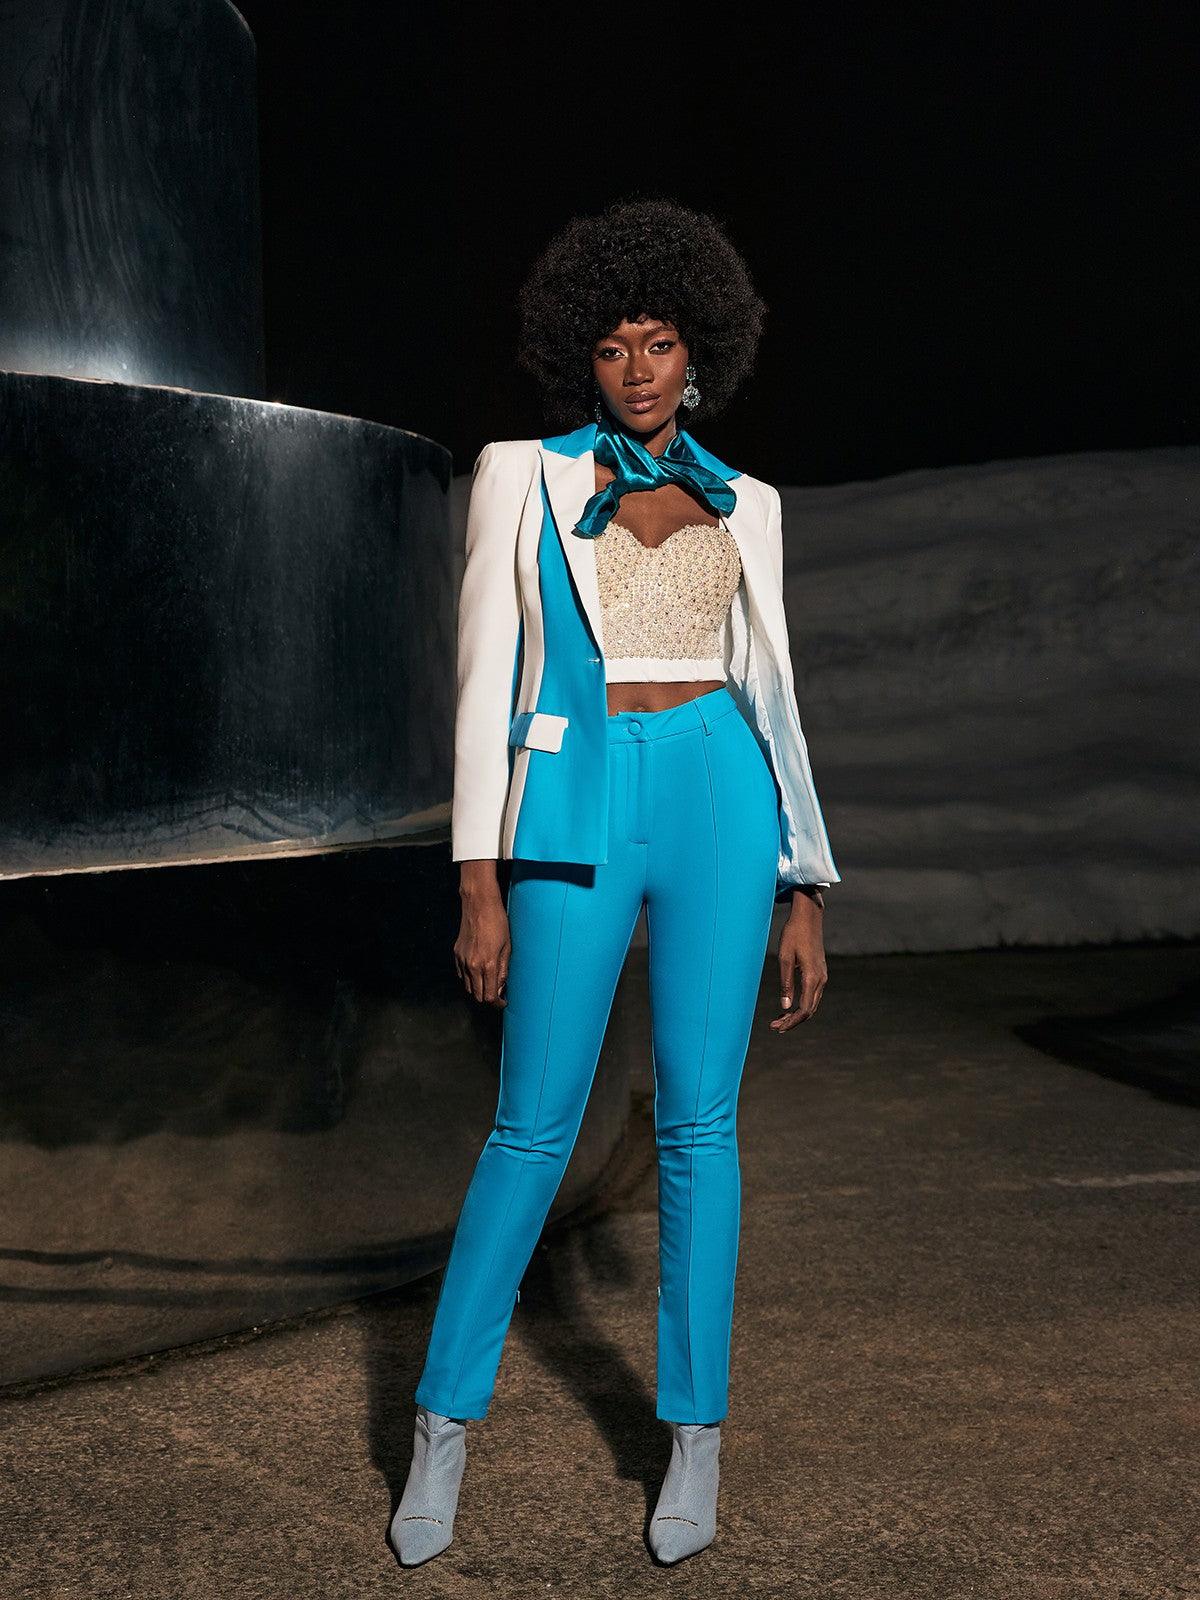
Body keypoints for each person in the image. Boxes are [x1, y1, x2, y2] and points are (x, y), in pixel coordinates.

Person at [389, 196, 841, 1568]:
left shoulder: (749, 502)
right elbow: (484, 686)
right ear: (577, 357)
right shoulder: (521, 475)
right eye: (612, 346)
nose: (637, 369)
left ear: (698, 354)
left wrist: (805, 885)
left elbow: (774, 696)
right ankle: (441, 1426)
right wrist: (477, 879)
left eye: (659, 344)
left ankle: (693, 1436)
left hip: (718, 794)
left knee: (702, 1128)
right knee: (531, 1129)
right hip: (571, 809)